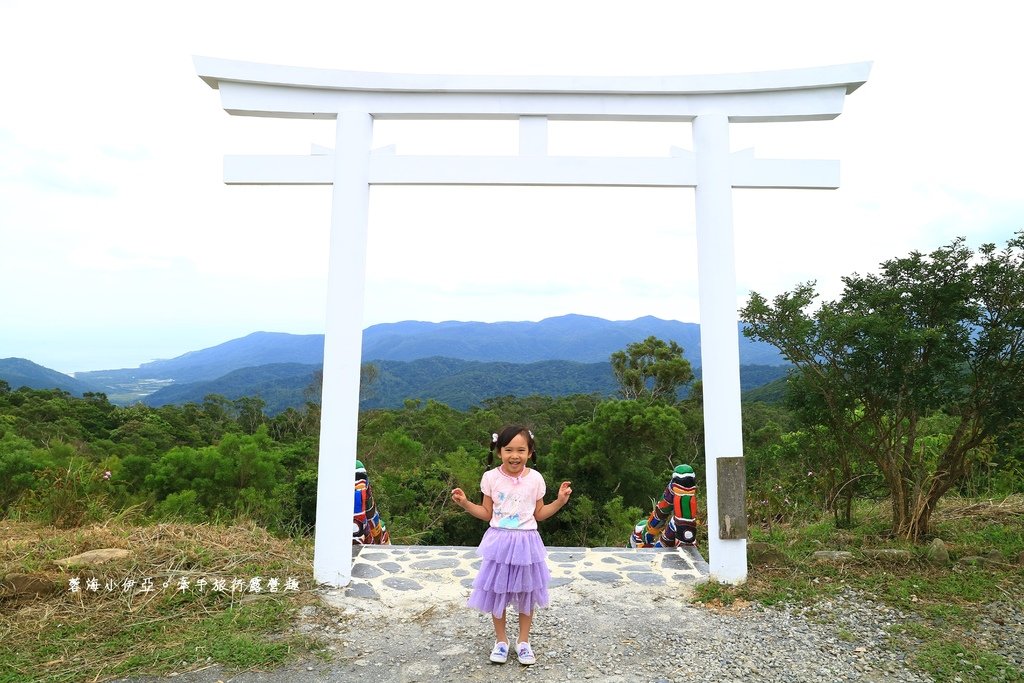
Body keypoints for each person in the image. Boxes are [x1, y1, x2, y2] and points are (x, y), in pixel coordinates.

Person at [451, 425, 572, 666]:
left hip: (527, 543)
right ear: (499, 452)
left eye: (520, 450)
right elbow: (486, 513)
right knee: (498, 592)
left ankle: (524, 642)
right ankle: (501, 641)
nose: (514, 455)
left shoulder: (535, 479)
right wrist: (465, 503)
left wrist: (559, 501)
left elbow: (539, 513)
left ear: (530, 452)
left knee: (527, 593)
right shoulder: (491, 478)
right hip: (499, 543)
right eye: (508, 450)